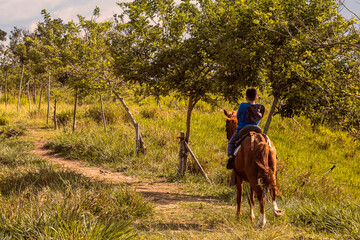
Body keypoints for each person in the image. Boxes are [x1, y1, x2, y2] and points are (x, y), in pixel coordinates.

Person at [226, 87, 263, 169]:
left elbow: (238, 116)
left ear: (246, 98)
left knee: (231, 143)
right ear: (256, 98)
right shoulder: (259, 107)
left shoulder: (242, 105)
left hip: (242, 128)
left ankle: (231, 158)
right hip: (256, 128)